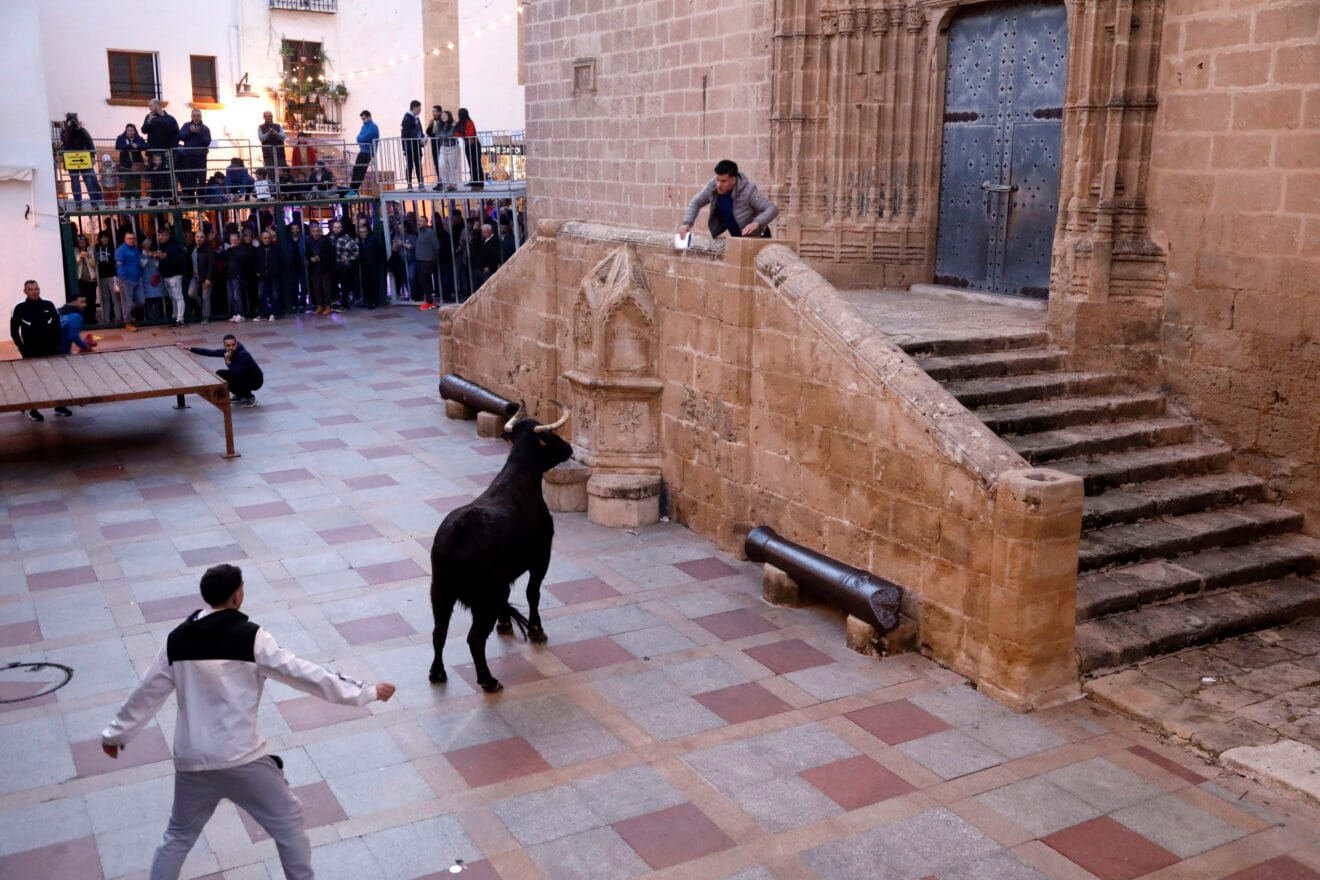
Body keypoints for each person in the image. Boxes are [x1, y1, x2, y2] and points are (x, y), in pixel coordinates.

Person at [100, 563, 396, 880]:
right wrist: (365, 692)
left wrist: (116, 735)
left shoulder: (177, 640)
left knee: (178, 836)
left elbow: (146, 692)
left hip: (192, 762)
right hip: (242, 757)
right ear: (238, 595)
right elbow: (304, 674)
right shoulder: (252, 637)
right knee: (288, 821)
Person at [9, 281, 73, 421]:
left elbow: (57, 326)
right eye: (30, 289)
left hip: (51, 349)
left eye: (36, 288)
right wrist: (22, 348)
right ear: (25, 291)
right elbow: (14, 332)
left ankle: (59, 405)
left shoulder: (48, 305)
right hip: (31, 351)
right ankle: (33, 409)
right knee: (34, 380)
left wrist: (57, 345)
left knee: (55, 378)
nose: (34, 291)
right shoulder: (19, 308)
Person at [678, 159, 779, 240]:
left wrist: (756, 222)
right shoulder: (712, 187)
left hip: (758, 238)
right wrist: (686, 223)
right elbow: (696, 202)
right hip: (737, 239)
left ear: (733, 180)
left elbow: (772, 209)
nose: (719, 185)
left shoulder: (748, 190)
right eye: (717, 179)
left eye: (723, 181)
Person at [177, 335, 264, 405]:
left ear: (236, 344)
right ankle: (240, 395)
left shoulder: (243, 355)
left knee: (235, 376)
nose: (231, 348)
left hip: (255, 381)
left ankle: (249, 397)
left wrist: (227, 360)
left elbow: (236, 371)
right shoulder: (227, 352)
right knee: (220, 374)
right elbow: (210, 352)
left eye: (233, 345)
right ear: (224, 346)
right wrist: (189, 348)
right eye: (228, 345)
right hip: (244, 376)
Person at [60, 113, 103, 208]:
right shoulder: (65, 131)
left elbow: (89, 141)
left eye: (74, 120)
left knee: (89, 180)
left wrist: (92, 156)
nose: (73, 123)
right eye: (71, 121)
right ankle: (78, 203)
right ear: (67, 121)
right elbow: (64, 140)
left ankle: (94, 201)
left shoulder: (82, 130)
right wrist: (68, 129)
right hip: (71, 159)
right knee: (75, 181)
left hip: (84, 158)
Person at [152, 226, 188, 326]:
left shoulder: (173, 246)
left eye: (162, 235)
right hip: (167, 275)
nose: (160, 237)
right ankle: (176, 316)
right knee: (173, 297)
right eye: (159, 235)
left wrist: (163, 256)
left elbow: (176, 261)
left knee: (178, 297)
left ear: (168, 235)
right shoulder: (164, 246)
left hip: (174, 275)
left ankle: (180, 319)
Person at [177, 110, 212, 203]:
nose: (196, 117)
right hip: (189, 156)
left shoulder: (205, 128)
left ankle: (201, 198)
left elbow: (207, 142)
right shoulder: (186, 126)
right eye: (194, 116)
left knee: (201, 178)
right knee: (190, 177)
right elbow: (180, 137)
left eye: (198, 116)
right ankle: (191, 198)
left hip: (201, 157)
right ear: (191, 116)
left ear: (201, 117)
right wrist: (189, 131)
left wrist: (198, 133)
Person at [142, 98, 180, 178]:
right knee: (153, 174)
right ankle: (155, 190)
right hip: (152, 151)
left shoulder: (170, 118)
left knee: (166, 174)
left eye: (151, 106)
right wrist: (148, 121)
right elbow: (144, 130)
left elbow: (176, 134)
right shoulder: (148, 117)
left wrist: (170, 149)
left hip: (165, 152)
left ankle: (167, 190)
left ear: (157, 105)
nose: (150, 108)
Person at [114, 230, 144, 331]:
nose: (131, 240)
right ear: (125, 239)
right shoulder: (121, 250)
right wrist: (124, 279)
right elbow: (119, 266)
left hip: (137, 279)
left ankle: (128, 315)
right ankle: (127, 323)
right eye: (129, 238)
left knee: (141, 301)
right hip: (126, 281)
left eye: (133, 238)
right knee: (127, 302)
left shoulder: (135, 249)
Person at [115, 123, 148, 208]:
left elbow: (146, 146)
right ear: (126, 130)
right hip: (125, 166)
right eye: (128, 130)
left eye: (132, 130)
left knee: (137, 184)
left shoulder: (138, 138)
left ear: (134, 131)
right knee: (127, 185)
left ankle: (138, 202)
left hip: (137, 166)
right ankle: (128, 203)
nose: (130, 132)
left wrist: (137, 146)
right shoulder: (121, 138)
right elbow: (118, 147)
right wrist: (130, 146)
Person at [253, 228, 283, 321]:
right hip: (262, 276)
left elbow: (280, 262)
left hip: (273, 276)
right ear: (261, 238)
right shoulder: (258, 250)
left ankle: (272, 313)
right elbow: (254, 262)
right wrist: (257, 272)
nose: (266, 239)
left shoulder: (276, 249)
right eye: (264, 238)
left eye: (268, 238)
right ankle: (263, 313)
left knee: (274, 295)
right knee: (260, 295)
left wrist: (276, 271)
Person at [306, 222, 335, 315]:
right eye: (314, 231)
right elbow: (307, 253)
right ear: (310, 232)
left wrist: (320, 257)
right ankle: (319, 306)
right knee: (316, 289)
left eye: (318, 231)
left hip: (324, 268)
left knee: (326, 288)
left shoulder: (326, 240)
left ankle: (328, 306)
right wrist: (310, 258)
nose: (316, 233)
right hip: (314, 269)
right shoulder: (308, 241)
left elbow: (331, 253)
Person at [223, 230, 250, 323]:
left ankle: (241, 314)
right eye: (232, 240)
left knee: (237, 296)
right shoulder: (228, 250)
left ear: (239, 240)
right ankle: (236, 313)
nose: (233, 242)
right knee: (230, 296)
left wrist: (233, 249)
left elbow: (240, 257)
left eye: (235, 240)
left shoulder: (242, 250)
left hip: (237, 276)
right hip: (229, 276)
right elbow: (223, 256)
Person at [356, 221, 385, 309]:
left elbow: (377, 252)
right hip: (365, 265)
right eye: (360, 232)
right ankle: (368, 300)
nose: (362, 234)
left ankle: (373, 301)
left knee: (373, 283)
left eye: (364, 232)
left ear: (368, 231)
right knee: (366, 283)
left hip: (373, 265)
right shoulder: (361, 241)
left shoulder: (372, 239)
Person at [332, 218, 359, 310]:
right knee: (337, 285)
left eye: (338, 228)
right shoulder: (332, 237)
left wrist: (348, 259)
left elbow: (356, 250)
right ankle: (339, 302)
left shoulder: (346, 238)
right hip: (335, 265)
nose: (336, 229)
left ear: (342, 228)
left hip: (344, 266)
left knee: (344, 286)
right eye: (334, 227)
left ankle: (344, 304)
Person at [94, 231, 120, 324]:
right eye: (102, 237)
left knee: (115, 297)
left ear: (109, 238)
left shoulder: (112, 248)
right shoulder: (96, 248)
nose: (104, 239)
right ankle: (106, 319)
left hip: (112, 275)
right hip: (101, 276)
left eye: (106, 237)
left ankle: (118, 318)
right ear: (99, 239)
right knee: (105, 298)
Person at [414, 214, 440, 309]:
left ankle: (429, 301)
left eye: (421, 221)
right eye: (419, 221)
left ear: (426, 222)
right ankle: (429, 300)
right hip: (420, 260)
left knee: (425, 279)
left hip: (427, 260)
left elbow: (436, 246)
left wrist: (433, 257)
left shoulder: (430, 232)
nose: (419, 223)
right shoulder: (420, 232)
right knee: (423, 280)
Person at [349, 110, 378, 194]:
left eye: (364, 119)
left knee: (360, 172)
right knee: (356, 170)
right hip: (363, 151)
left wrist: (361, 138)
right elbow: (358, 138)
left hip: (368, 152)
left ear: (369, 117)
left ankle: (353, 191)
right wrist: (361, 138)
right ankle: (352, 190)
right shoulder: (364, 126)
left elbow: (362, 138)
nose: (363, 121)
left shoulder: (373, 127)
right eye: (362, 119)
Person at [189, 231, 215, 324]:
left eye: (201, 237)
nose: (199, 239)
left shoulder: (208, 249)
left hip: (206, 277)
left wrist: (209, 278)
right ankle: (204, 309)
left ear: (205, 238)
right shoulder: (193, 248)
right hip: (195, 276)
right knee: (191, 294)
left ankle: (206, 317)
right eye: (197, 237)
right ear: (194, 238)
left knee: (205, 297)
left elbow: (211, 264)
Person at [455, 107, 483, 188]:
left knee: (476, 163)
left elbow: (470, 133)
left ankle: (479, 181)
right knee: (471, 163)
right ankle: (473, 180)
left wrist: (463, 133)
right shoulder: (460, 124)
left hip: (474, 145)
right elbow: (456, 133)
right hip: (468, 145)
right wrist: (464, 133)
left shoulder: (469, 122)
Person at [400, 100, 424, 190]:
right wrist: (405, 148)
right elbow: (405, 134)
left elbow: (419, 131)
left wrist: (422, 138)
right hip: (410, 147)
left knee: (418, 165)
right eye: (419, 108)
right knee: (410, 165)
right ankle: (409, 184)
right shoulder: (407, 118)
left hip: (416, 146)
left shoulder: (416, 118)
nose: (420, 110)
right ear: (415, 107)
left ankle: (420, 183)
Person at [74, 234, 98, 323]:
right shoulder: (75, 250)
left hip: (91, 279)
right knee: (82, 301)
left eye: (83, 241)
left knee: (92, 300)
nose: (81, 243)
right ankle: (83, 320)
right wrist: (80, 257)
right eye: (80, 242)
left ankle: (92, 319)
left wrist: (88, 256)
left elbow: (93, 264)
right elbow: (74, 264)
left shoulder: (91, 249)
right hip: (81, 280)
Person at [258, 110, 288, 180]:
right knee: (270, 171)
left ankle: (282, 187)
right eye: (267, 116)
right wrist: (268, 133)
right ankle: (273, 188)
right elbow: (261, 138)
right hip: (268, 154)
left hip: (279, 153)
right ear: (264, 117)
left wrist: (276, 133)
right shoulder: (260, 127)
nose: (269, 118)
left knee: (282, 170)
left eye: (270, 116)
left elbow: (283, 137)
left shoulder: (278, 126)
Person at [475, 223, 501, 290]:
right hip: (481, 267)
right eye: (482, 232)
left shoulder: (494, 241)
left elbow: (495, 255)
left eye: (484, 232)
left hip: (488, 269)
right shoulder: (484, 240)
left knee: (488, 286)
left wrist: (490, 266)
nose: (483, 234)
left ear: (489, 231)